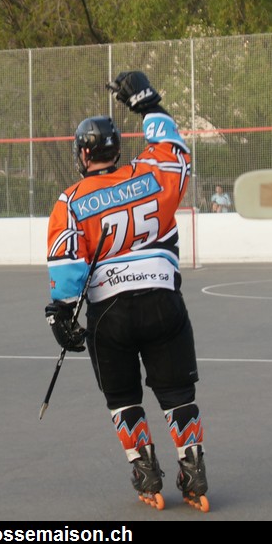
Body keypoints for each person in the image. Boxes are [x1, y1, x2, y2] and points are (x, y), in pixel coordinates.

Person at [44, 71, 208, 513]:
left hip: (109, 313)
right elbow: (175, 151)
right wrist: (149, 106)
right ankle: (194, 473)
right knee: (177, 394)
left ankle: (146, 474)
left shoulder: (71, 201)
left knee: (122, 397)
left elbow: (66, 266)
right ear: (117, 149)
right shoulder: (152, 175)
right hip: (163, 301)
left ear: (84, 154)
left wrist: (61, 314)